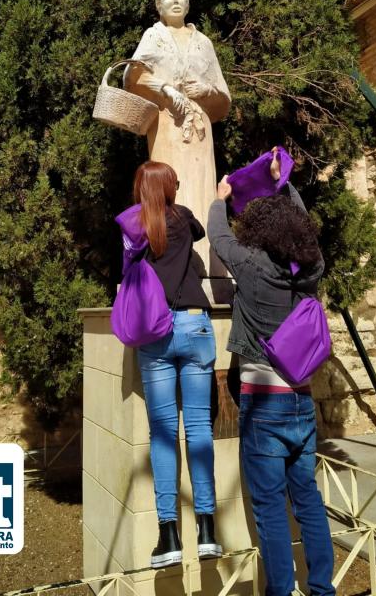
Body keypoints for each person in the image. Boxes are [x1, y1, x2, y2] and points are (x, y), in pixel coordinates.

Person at [207, 174, 335, 596]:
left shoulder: (251, 264)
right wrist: (286, 187)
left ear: (260, 229)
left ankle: (280, 591)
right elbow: (301, 223)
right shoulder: (310, 268)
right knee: (309, 502)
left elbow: (218, 236)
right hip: (301, 402)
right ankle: (322, 589)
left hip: (264, 405)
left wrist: (220, 198)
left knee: (270, 510)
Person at [131, 160, 222, 568]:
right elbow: (200, 232)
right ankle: (207, 531)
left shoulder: (134, 225)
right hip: (193, 324)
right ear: (167, 187)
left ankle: (168, 536)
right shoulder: (183, 217)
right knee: (200, 428)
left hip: (155, 334)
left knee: (163, 433)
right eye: (175, 182)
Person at [124, 0, 231, 281]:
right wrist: (167, 90)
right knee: (168, 188)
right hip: (167, 124)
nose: (175, 0)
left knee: (200, 187)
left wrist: (207, 88)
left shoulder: (204, 43)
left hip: (198, 129)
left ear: (188, 2)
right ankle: (170, 266)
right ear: (158, 6)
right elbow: (134, 76)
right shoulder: (153, 37)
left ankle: (210, 268)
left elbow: (223, 98)